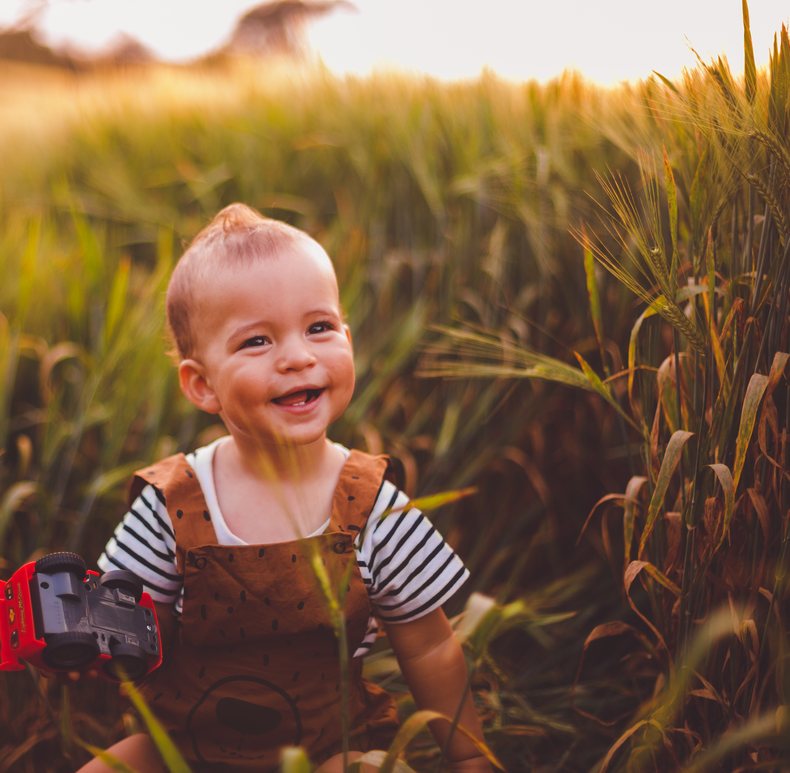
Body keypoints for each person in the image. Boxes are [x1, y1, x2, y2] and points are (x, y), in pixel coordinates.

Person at [84, 204, 491, 773]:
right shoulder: (172, 503)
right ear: (202, 385)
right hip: (186, 746)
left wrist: (471, 758)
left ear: (347, 337)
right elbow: (134, 629)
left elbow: (429, 645)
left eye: (319, 328)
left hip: (327, 749)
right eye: (257, 342)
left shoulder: (373, 507)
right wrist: (84, 630)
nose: (298, 356)